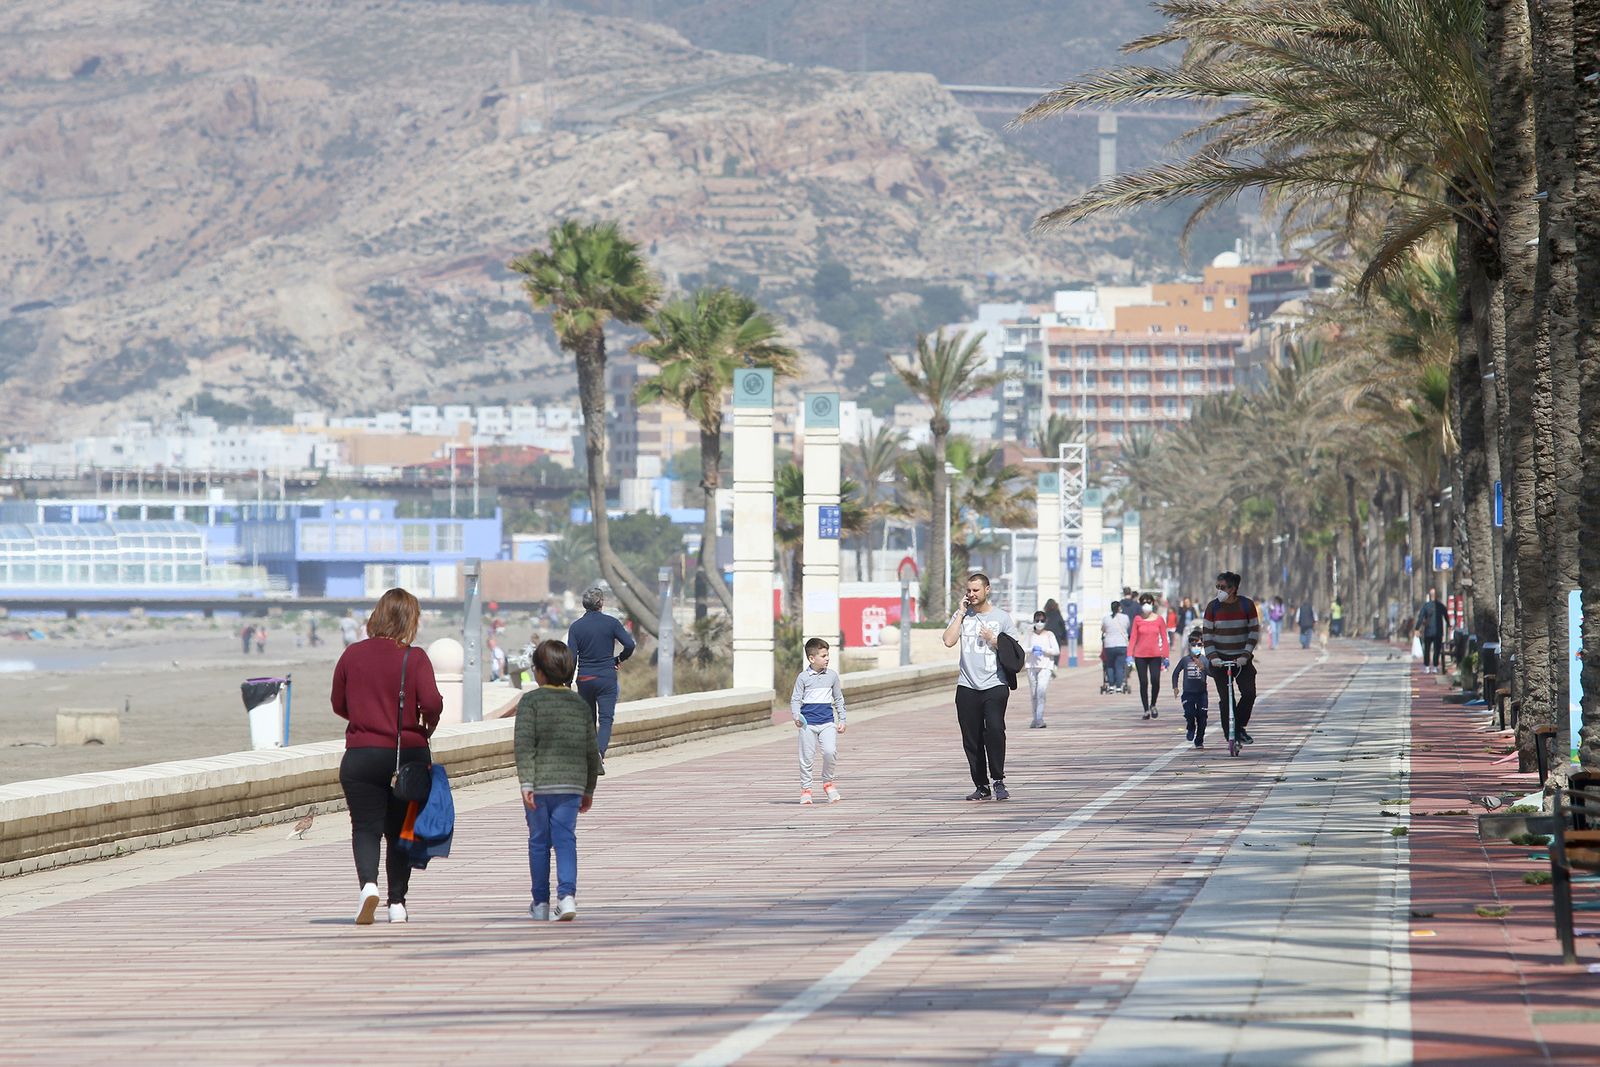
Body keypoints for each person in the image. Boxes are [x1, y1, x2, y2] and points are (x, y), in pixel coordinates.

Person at [331, 587, 444, 925]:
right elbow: (433, 703)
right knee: (400, 829)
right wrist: (426, 725)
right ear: (411, 620)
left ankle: (368, 886)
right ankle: (397, 903)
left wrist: (366, 717)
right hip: (406, 754)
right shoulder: (415, 657)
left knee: (365, 826)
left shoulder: (352, 654)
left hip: (361, 754)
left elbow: (339, 704)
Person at [514, 639, 600, 922]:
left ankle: (540, 902)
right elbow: (591, 750)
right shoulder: (579, 704)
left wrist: (526, 782)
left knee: (539, 842)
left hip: (539, 786)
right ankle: (567, 897)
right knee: (565, 840)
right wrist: (588, 789)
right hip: (571, 785)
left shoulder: (530, 702)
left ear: (538, 672)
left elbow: (524, 745)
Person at [941, 573, 1014, 801]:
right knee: (971, 738)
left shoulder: (1002, 617)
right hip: (967, 686)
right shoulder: (963, 616)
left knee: (994, 731)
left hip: (995, 684)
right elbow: (948, 640)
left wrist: (994, 640)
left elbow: (1013, 651)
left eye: (976, 590)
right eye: (969, 591)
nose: (971, 595)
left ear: (987, 590)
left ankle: (998, 780)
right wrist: (961, 612)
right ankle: (981, 785)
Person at [566, 586, 636, 762]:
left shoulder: (575, 627)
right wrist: (619, 659)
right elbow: (630, 645)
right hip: (606, 677)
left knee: (589, 719)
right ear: (601, 603)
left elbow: (572, 657)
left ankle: (590, 755)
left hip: (585, 678)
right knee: (605, 719)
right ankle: (599, 752)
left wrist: (568, 681)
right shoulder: (611, 623)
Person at [1204, 571, 1261, 754]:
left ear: (1233, 589)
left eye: (1223, 587)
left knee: (1249, 693)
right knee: (1226, 698)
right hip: (1219, 661)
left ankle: (1240, 727)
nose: (1219, 591)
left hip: (1242, 660)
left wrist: (1245, 655)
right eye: (1217, 587)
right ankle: (1231, 733)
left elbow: (1253, 632)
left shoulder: (1246, 605)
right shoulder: (1212, 607)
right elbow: (1207, 635)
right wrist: (1214, 658)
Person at [789, 637, 848, 804]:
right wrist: (796, 716)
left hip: (827, 722)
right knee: (806, 757)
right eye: (823, 656)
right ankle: (806, 789)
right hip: (808, 724)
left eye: (828, 655)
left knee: (830, 752)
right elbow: (795, 700)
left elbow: (838, 699)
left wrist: (842, 719)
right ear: (811, 658)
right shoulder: (803, 678)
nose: (827, 658)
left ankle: (828, 783)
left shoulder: (832, 676)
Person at [1129, 594, 1170, 720]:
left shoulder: (1159, 620)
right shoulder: (1137, 619)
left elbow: (1164, 638)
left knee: (1155, 680)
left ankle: (1153, 704)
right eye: (1143, 602)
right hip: (1140, 655)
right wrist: (1129, 655)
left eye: (1148, 602)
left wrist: (1166, 656)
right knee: (1143, 682)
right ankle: (1146, 709)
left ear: (1153, 603)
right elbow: (1133, 638)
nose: (1146, 604)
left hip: (1155, 655)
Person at [1171, 628, 1210, 748]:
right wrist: (1175, 687)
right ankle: (1191, 727)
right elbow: (1176, 672)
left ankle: (1199, 740)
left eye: (1199, 644)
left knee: (1202, 717)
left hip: (1201, 693)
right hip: (1188, 693)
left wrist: (1203, 667)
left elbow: (1212, 674)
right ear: (1189, 645)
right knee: (1189, 713)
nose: (1196, 647)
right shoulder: (1185, 660)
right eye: (1194, 644)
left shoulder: (1204, 659)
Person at [1025, 610, 1060, 729]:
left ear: (1046, 621)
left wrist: (1044, 649)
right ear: (1034, 621)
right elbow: (1022, 648)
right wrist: (1032, 649)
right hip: (1031, 666)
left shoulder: (1049, 634)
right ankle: (1035, 718)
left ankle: (1039, 718)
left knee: (1041, 691)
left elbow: (1056, 650)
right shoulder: (1029, 634)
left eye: (1042, 620)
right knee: (1034, 693)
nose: (1039, 623)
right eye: (1037, 620)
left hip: (1045, 666)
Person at [1415, 587, 1448, 674]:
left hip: (1428, 631)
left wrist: (1417, 628)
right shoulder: (1441, 606)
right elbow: (1446, 616)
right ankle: (1435, 666)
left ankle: (1427, 666)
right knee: (1437, 649)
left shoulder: (1426, 606)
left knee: (1427, 649)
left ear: (1429, 596)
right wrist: (1449, 625)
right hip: (1438, 631)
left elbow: (1421, 618)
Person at [1101, 600, 1131, 692]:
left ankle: (1111, 685)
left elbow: (1103, 629)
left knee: (1109, 665)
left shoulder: (1106, 618)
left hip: (1109, 645)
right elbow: (1127, 627)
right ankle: (1119, 686)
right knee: (1119, 665)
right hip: (1121, 644)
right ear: (1119, 608)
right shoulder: (1125, 617)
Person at [1042, 598, 1069, 664]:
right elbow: (1062, 625)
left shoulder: (1045, 615)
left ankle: (1047, 662)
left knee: (1048, 649)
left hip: (1047, 635)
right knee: (1056, 650)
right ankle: (1055, 664)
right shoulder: (1058, 614)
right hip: (1057, 635)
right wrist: (1064, 637)